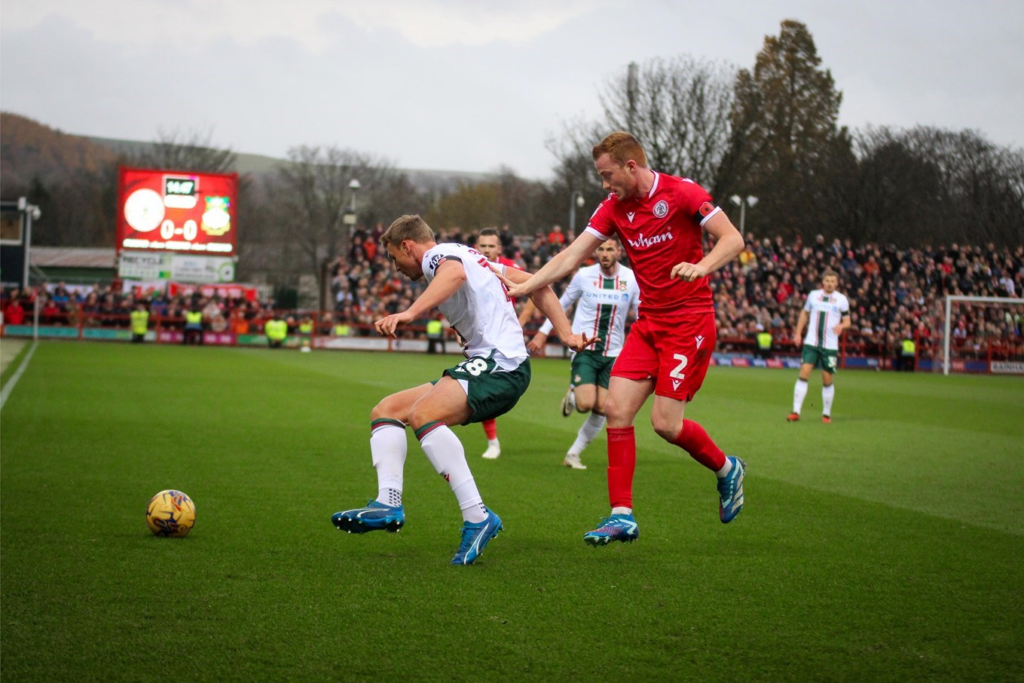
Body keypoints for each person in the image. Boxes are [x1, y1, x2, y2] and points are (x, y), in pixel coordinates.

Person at [504, 131, 747, 546]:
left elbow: (733, 239)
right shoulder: (613, 208)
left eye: (607, 174)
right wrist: (528, 287)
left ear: (630, 166)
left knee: (665, 425)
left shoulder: (683, 192)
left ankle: (728, 469)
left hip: (688, 324)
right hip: (649, 325)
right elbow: (570, 255)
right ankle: (622, 515)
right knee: (616, 409)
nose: (604, 184)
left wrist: (702, 266)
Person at [331, 215, 587, 565]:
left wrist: (410, 312)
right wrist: (566, 335)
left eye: (393, 258)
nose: (395, 267)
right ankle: (388, 503)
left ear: (408, 246)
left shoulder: (439, 257)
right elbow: (536, 285)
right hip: (493, 364)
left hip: (502, 365)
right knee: (387, 410)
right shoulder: (474, 258)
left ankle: (478, 517)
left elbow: (454, 275)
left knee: (423, 414)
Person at [527, 236, 640, 470]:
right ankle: (573, 395)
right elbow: (561, 303)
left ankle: (573, 454)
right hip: (584, 349)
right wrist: (542, 333)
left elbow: (641, 313)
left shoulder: (631, 279)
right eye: (600, 249)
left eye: (610, 249)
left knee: (604, 408)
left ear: (619, 251)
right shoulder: (584, 276)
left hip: (614, 354)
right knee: (586, 403)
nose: (605, 254)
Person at [473, 227, 534, 460]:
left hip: (505, 338)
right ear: (476, 247)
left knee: (498, 386)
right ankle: (493, 442)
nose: (486, 250)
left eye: (491, 246)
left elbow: (535, 289)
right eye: (482, 246)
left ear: (499, 249)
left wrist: (521, 322)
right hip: (479, 337)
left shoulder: (510, 268)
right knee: (483, 386)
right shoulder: (470, 265)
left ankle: (492, 440)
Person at [788, 269, 851, 424]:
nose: (830, 283)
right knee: (804, 372)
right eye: (827, 280)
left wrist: (841, 326)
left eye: (832, 281)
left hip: (829, 346)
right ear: (823, 282)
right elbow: (804, 314)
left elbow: (848, 321)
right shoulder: (813, 296)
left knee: (826, 378)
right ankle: (796, 411)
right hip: (811, 343)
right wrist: (798, 333)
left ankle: (826, 414)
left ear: (837, 283)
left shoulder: (841, 300)